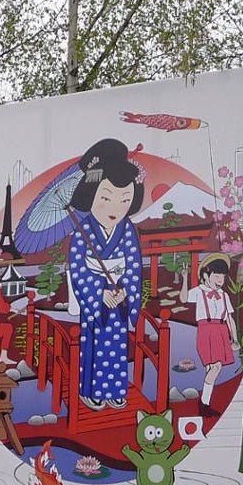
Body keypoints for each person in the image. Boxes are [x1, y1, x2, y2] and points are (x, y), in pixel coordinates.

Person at [67, 139, 144, 410]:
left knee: (117, 346)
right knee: (95, 343)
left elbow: (134, 266)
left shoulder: (128, 230)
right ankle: (92, 390)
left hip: (119, 297)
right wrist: (99, 291)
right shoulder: (82, 232)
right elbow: (77, 268)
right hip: (97, 300)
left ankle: (115, 390)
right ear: (91, 197)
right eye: (106, 198)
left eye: (125, 199)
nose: (115, 208)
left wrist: (125, 291)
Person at [181, 254, 239, 413]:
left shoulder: (224, 295)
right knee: (215, 367)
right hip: (206, 331)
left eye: (223, 276)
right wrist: (185, 278)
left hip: (221, 331)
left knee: (211, 369)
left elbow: (229, 318)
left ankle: (205, 404)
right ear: (206, 275)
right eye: (216, 275)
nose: (220, 279)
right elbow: (184, 299)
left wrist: (234, 338)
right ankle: (204, 404)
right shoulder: (199, 291)